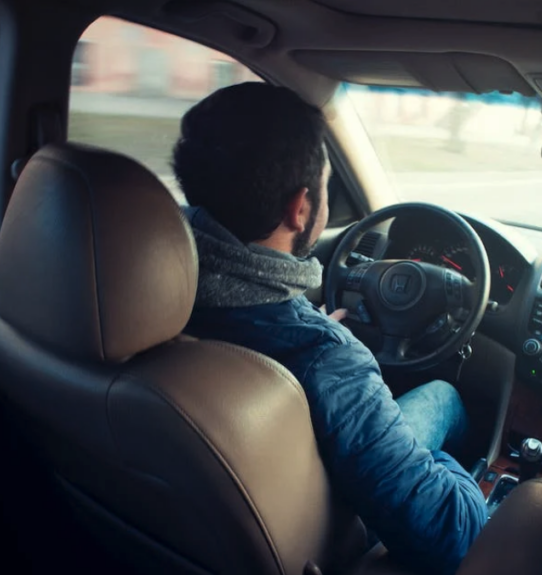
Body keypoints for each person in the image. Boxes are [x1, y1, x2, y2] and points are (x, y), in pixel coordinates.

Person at [172, 82, 488, 575]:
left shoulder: (153, 288)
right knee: (445, 397)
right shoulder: (328, 360)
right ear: (300, 208)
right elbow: (452, 537)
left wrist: (315, 333)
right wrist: (465, 478)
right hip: (335, 529)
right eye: (324, 183)